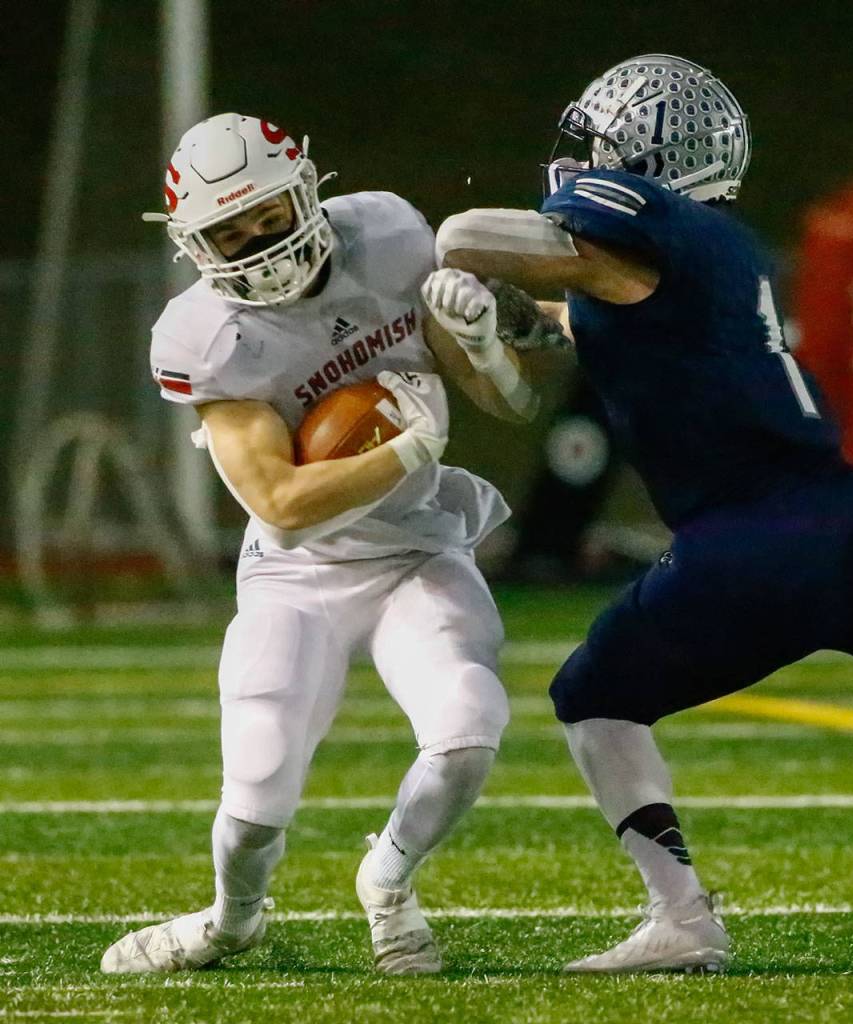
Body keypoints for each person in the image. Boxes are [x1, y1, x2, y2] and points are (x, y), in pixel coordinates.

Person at [420, 54, 853, 974]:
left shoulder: (659, 224)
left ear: (639, 159)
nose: (577, 160)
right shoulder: (690, 260)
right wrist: (510, 314)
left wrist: (442, 261)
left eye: (598, 147)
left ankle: (682, 917)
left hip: (754, 538)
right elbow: (587, 322)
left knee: (595, 696)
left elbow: (467, 233)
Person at [100, 113, 539, 976]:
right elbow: (283, 506)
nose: (257, 245)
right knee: (257, 780)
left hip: (416, 548)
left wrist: (486, 348)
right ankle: (232, 921)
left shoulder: (390, 237)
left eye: (267, 216)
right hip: (299, 573)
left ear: (306, 192)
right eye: (230, 233)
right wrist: (409, 448)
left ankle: (388, 880)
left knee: (469, 723)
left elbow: (514, 406)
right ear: (196, 246)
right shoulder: (206, 337)